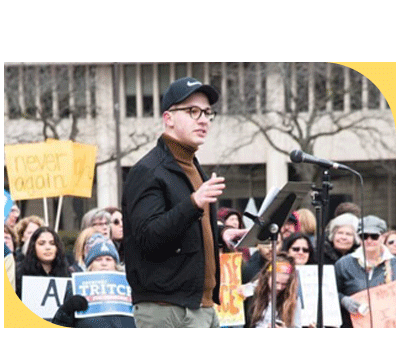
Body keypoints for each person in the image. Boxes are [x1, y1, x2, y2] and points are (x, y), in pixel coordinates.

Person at [122, 77, 226, 328]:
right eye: (193, 111)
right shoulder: (148, 171)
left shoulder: (192, 166)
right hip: (168, 310)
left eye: (207, 113)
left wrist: (224, 234)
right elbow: (148, 237)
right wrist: (193, 203)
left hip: (203, 307)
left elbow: (187, 228)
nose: (203, 119)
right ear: (168, 118)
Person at [52, 234, 135, 328]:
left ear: (115, 264)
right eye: (98, 260)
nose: (104, 264)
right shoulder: (76, 288)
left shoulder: (129, 287)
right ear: (90, 265)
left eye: (108, 259)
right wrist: (66, 311)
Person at [335, 215, 396, 328]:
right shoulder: (343, 264)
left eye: (374, 236)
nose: (369, 240)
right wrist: (344, 300)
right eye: (364, 236)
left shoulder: (395, 264)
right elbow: (331, 293)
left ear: (383, 237)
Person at [15, 227, 70, 298]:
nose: (48, 247)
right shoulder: (20, 274)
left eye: (52, 243)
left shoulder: (68, 274)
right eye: (42, 243)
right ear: (33, 247)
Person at [248, 253, 300, 328]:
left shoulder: (293, 299)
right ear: (267, 276)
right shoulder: (253, 291)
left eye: (284, 284)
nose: (279, 287)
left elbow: (297, 326)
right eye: (276, 282)